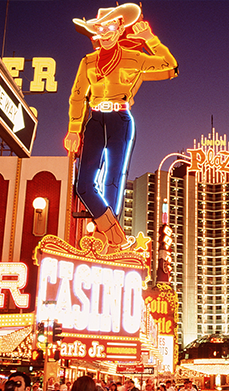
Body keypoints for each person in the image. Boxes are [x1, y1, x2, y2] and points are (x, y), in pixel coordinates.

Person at [64, 2, 178, 250]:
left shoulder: (134, 58)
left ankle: (111, 242)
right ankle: (116, 235)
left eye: (110, 26)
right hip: (93, 120)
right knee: (83, 184)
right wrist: (74, 128)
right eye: (100, 27)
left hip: (121, 120)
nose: (105, 32)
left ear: (119, 29)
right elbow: (77, 95)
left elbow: (171, 67)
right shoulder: (88, 62)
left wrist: (150, 39)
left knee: (113, 180)